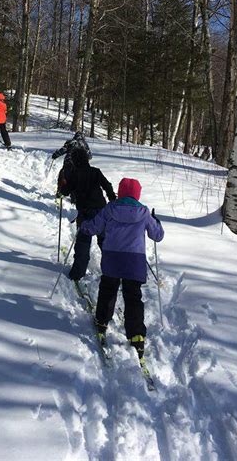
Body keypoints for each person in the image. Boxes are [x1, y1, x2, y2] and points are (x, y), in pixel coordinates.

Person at [80, 178, 164, 367]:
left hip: (112, 258)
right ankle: (136, 334)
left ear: (120, 191)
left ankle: (102, 321)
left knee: (108, 289)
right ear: (137, 194)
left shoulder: (110, 209)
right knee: (133, 296)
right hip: (134, 261)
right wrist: (156, 221)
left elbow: (93, 227)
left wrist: (84, 226)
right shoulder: (143, 212)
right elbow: (157, 235)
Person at [60, 148, 116, 281]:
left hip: (85, 213)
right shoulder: (95, 171)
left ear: (74, 161)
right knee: (105, 242)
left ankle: (78, 273)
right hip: (102, 212)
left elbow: (66, 192)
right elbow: (107, 186)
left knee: (83, 244)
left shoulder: (74, 174)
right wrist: (113, 200)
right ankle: (113, 271)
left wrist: (63, 186)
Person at [51, 131, 92, 196]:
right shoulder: (85, 145)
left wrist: (55, 155)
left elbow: (62, 150)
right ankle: (74, 197)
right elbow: (90, 156)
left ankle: (59, 193)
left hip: (68, 163)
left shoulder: (70, 142)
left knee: (62, 177)